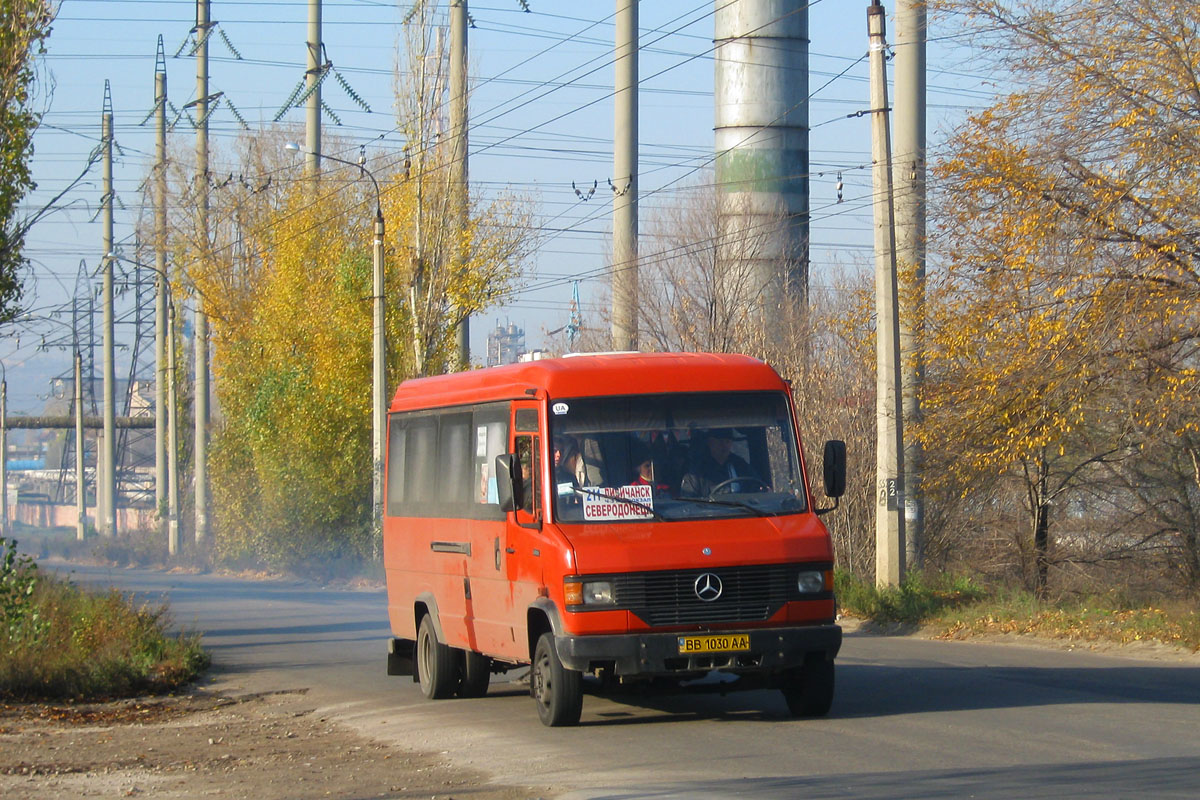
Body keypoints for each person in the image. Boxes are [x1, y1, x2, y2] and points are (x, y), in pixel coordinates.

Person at [679, 427, 758, 497]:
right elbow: (689, 505)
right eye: (720, 441)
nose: (724, 446)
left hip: (745, 511)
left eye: (727, 442)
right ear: (710, 442)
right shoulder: (696, 472)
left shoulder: (741, 465)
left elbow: (756, 487)